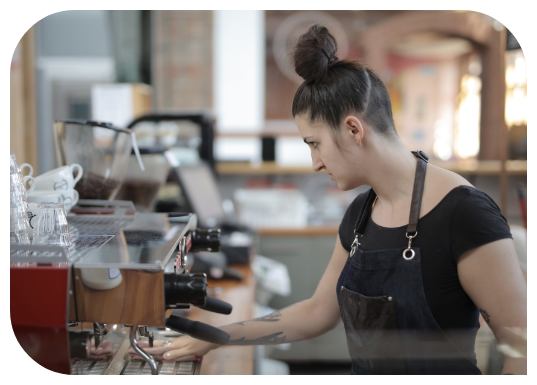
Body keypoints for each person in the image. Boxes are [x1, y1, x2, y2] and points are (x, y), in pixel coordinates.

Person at [144, 25, 527, 375]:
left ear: (353, 129)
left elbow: (524, 348)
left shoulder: (465, 214)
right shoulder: (361, 214)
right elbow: (316, 312)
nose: (314, 163)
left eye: (315, 144)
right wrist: (221, 335)